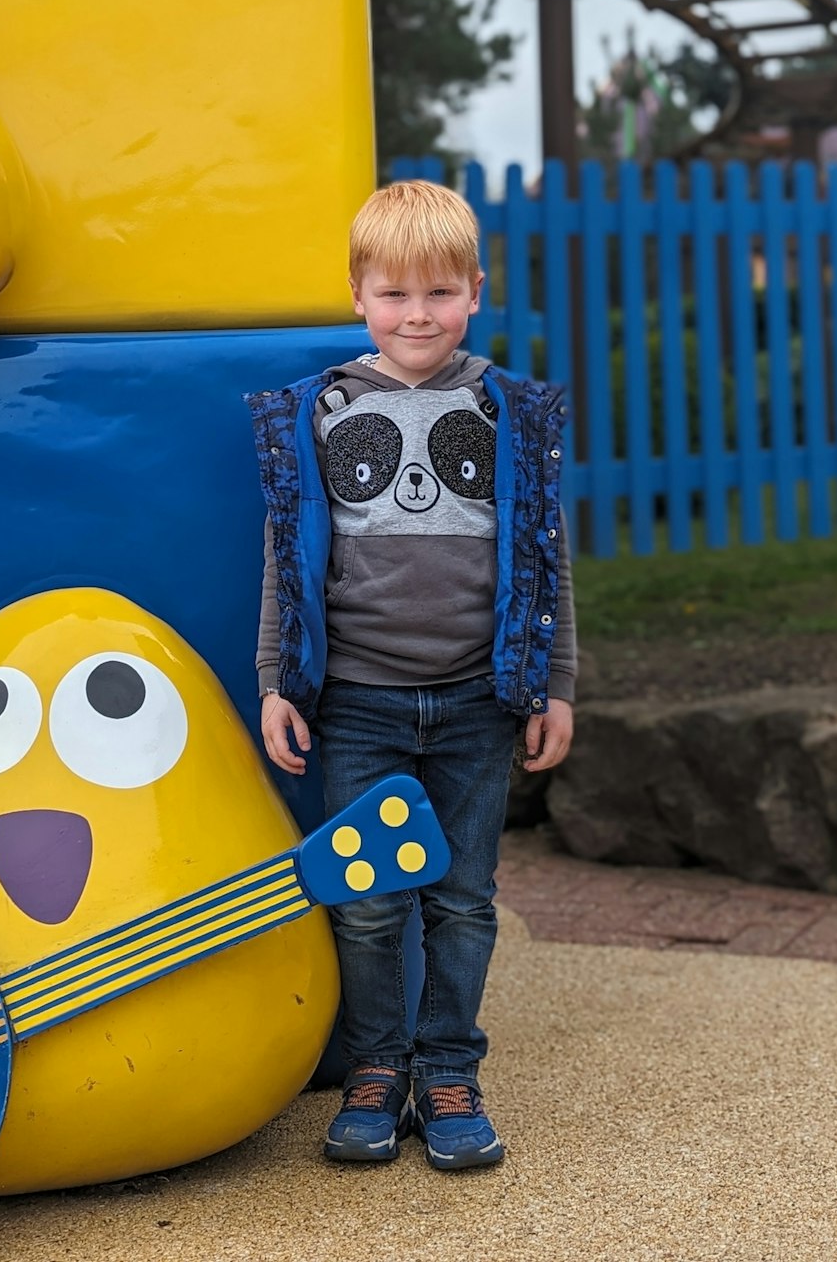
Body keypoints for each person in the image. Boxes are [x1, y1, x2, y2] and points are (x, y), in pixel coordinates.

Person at [248, 180, 576, 1171]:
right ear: (357, 295)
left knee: (464, 897)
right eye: (394, 294)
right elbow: (287, 553)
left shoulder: (507, 410)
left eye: (439, 292)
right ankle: (377, 1067)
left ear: (475, 291)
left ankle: (449, 1070)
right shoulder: (323, 410)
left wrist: (555, 681)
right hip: (357, 703)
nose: (417, 315)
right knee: (367, 898)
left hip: (479, 699)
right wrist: (275, 677)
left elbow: (546, 552)